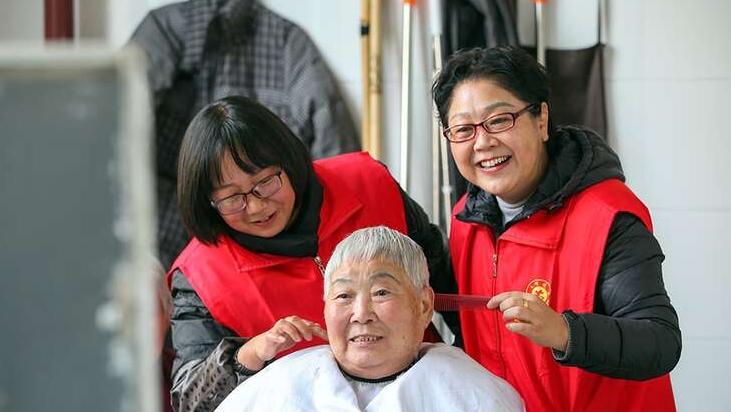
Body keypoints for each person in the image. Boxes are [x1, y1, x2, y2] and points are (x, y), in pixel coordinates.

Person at [167, 96, 458, 411]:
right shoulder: (200, 275)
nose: (257, 206)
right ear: (207, 203)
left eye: (265, 182)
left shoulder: (368, 184)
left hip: (427, 397)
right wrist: (248, 355)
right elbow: (190, 401)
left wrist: (470, 366)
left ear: (288, 162)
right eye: (232, 198)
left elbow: (449, 282)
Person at [432, 46, 681, 412]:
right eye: (463, 129)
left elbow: (660, 341)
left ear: (541, 119)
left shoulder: (606, 215)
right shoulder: (465, 220)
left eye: (499, 120)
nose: (482, 142)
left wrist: (564, 333)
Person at [130, 0, 360, 268]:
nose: (254, 206)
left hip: (264, 245)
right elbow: (114, 116)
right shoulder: (166, 30)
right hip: (160, 225)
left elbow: (331, 144)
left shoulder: (288, 44)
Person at [216, 226, 523, 412]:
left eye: (381, 292)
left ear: (424, 305)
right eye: (343, 296)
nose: (361, 314)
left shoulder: (476, 396)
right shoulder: (279, 389)